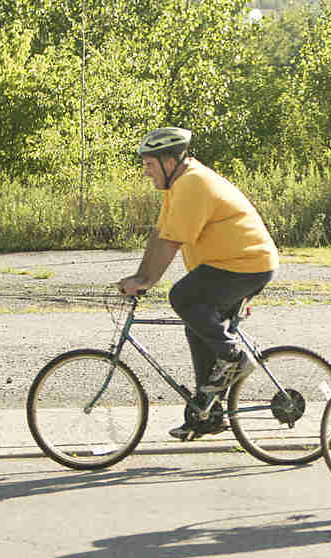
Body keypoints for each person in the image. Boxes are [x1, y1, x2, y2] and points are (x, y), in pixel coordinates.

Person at [118, 127, 280, 439]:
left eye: (150, 165)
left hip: (246, 264)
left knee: (183, 297)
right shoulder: (177, 186)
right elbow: (159, 236)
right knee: (197, 326)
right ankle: (207, 415)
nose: (146, 172)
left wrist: (146, 280)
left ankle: (234, 356)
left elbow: (172, 243)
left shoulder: (193, 183)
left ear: (169, 161)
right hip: (233, 264)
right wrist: (140, 277)